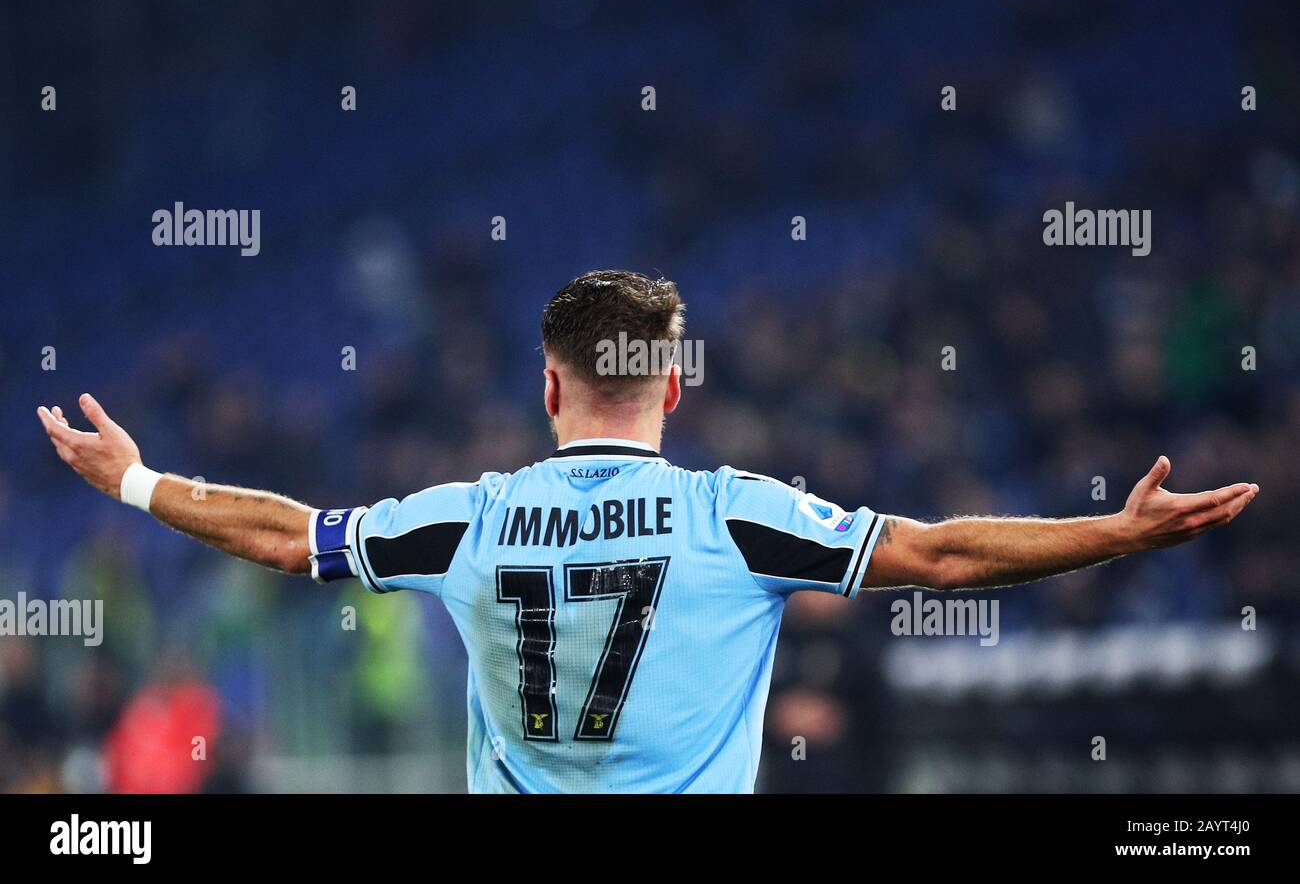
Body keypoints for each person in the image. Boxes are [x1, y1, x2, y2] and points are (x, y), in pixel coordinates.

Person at [36, 270, 1259, 793]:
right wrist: (1113, 532)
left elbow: (287, 535)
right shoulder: (737, 515)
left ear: (549, 385)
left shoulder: (469, 517)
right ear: (672, 388)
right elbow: (939, 552)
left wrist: (141, 482)